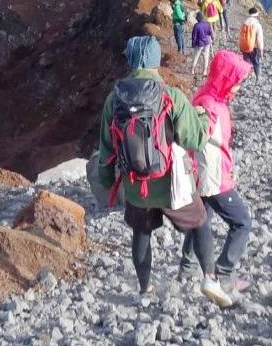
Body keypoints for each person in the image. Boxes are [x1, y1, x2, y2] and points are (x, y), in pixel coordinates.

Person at [88, 35, 209, 297]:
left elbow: (106, 149)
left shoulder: (114, 99)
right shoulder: (171, 96)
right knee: (200, 222)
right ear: (156, 60)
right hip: (170, 184)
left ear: (131, 60)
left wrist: (107, 182)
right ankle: (210, 279)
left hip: (135, 186)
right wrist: (203, 119)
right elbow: (195, 139)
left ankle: (145, 287)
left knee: (141, 234)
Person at [190, 49, 256, 307]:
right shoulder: (209, 106)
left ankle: (189, 268)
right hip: (213, 177)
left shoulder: (208, 97)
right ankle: (223, 275)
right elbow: (198, 141)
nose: (238, 87)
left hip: (204, 175)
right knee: (242, 222)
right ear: (226, 78)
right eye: (236, 81)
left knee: (201, 220)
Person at [236, 6, 264, 77]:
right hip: (253, 47)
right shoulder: (257, 25)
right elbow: (259, 39)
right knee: (256, 62)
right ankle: (258, 77)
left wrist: (240, 45)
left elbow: (240, 35)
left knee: (246, 62)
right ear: (256, 15)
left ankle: (245, 76)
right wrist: (261, 49)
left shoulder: (244, 23)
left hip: (244, 46)